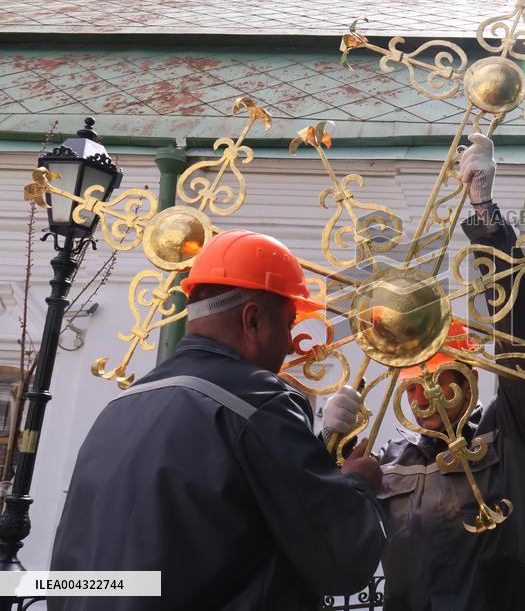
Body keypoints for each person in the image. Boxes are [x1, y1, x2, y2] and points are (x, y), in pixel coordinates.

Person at [50, 229, 386, 611]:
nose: (293, 343)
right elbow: (345, 560)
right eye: (290, 325)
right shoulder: (258, 402)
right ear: (254, 320)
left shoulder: (118, 409)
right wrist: (359, 484)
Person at [328, 134, 525, 611]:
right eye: (415, 384)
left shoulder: (509, 434)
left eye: (441, 378)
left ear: (471, 376)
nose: (427, 396)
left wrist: (485, 215)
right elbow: (323, 533)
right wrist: (328, 448)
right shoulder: (387, 465)